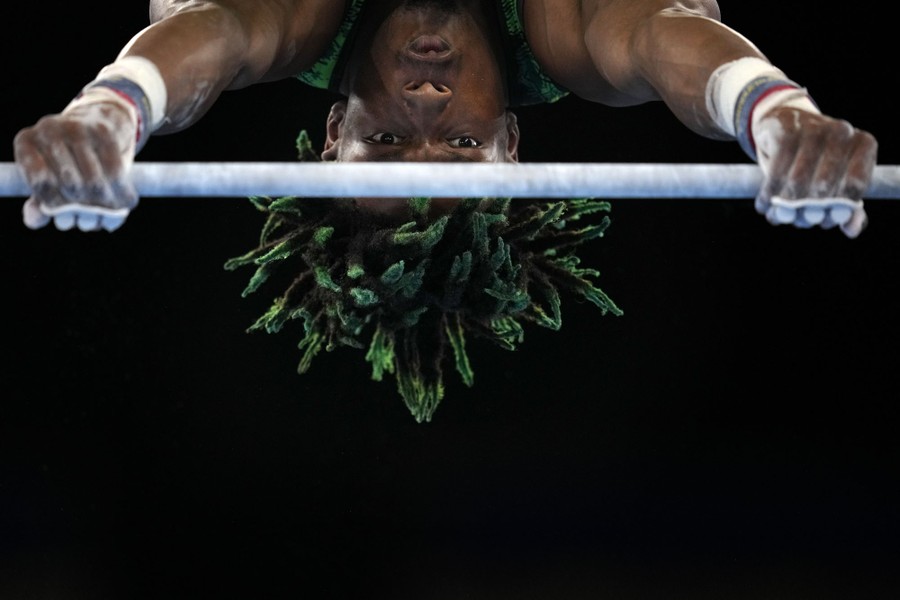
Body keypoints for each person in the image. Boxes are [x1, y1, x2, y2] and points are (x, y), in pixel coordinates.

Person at [10, 0, 879, 421]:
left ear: (332, 134)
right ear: (511, 143)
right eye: (463, 145)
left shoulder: (296, 21)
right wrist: (775, 117)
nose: (426, 104)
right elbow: (658, 37)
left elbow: (222, 36)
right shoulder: (572, 37)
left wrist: (112, 113)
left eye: (385, 142)